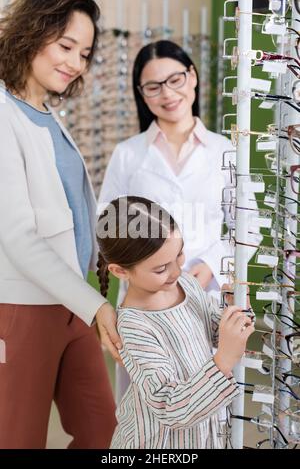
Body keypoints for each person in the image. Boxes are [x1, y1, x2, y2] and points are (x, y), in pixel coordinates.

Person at [97, 40, 260, 400]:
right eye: (153, 86)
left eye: (176, 79)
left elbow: (248, 226)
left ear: (194, 77)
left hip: (208, 294)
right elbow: (106, 225)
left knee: (210, 397)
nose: (167, 93)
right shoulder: (128, 154)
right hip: (144, 303)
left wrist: (210, 266)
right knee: (148, 402)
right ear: (142, 94)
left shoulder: (227, 150)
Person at [0, 0, 117, 449]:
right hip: (25, 309)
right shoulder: (5, 115)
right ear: (32, 33)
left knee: (102, 431)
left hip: (72, 304)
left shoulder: (48, 117)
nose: (74, 63)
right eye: (66, 46)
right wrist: (97, 305)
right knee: (18, 438)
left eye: (84, 54)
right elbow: (17, 235)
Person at [96, 196, 254, 449]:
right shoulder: (133, 328)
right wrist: (223, 360)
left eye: (179, 255)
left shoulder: (187, 284)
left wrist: (233, 310)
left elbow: (216, 332)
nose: (177, 271)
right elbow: (170, 408)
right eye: (160, 269)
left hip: (202, 433)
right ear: (120, 272)